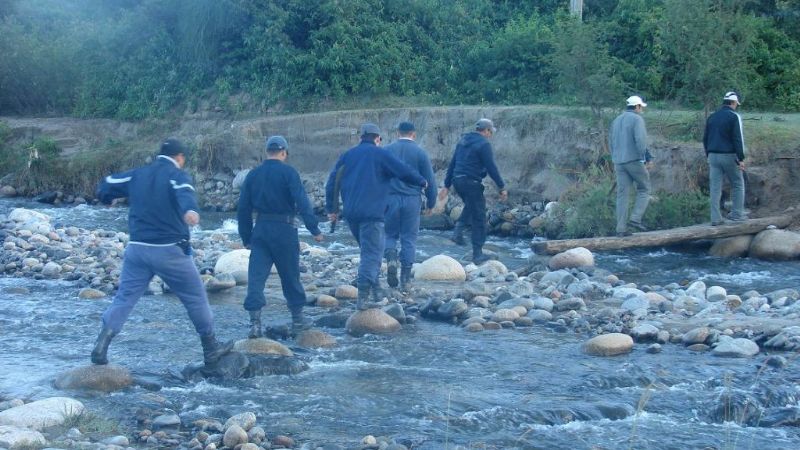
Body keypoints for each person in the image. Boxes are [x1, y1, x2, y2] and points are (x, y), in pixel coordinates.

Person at [91, 138, 229, 371]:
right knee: (195, 297)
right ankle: (211, 348)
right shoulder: (178, 175)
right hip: (169, 251)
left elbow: (107, 183)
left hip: (137, 249)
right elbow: (184, 193)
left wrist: (106, 199)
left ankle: (101, 345)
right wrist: (191, 211)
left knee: (124, 298)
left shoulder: (138, 174)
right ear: (180, 157)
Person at [325, 123, 427, 310]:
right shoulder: (381, 154)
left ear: (360, 138)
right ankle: (363, 299)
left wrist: (332, 210)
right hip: (372, 214)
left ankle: (377, 289)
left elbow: (332, 182)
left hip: (351, 214)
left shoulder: (347, 155)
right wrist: (421, 181)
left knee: (368, 250)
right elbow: (403, 171)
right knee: (371, 255)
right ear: (378, 139)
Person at [237, 136, 323, 337]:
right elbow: (302, 202)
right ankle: (298, 319)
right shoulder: (289, 172)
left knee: (256, 278)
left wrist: (246, 237)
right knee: (290, 275)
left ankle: (255, 324)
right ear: (284, 153)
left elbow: (243, 209)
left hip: (261, 230)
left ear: (266, 152)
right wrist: (314, 230)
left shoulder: (253, 175)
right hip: (285, 230)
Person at [441, 118, 508, 265]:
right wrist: (501, 187)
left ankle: (458, 232)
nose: (491, 135)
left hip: (458, 181)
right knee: (479, 217)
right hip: (471, 182)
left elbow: (452, 164)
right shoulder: (484, 144)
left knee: (472, 206)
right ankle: (477, 254)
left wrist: (446, 185)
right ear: (486, 131)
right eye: (491, 132)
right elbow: (491, 167)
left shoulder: (462, 141)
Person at [383, 122, 437, 290]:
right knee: (409, 238)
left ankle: (391, 257)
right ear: (414, 134)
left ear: (397, 133)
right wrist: (431, 202)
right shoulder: (420, 153)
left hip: (390, 198)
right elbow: (430, 181)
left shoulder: (386, 150)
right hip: (412, 199)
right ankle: (405, 279)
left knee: (389, 234)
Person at [609, 95, 652, 237]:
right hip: (633, 159)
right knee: (645, 188)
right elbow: (640, 141)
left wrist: (615, 157)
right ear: (637, 107)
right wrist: (645, 158)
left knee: (622, 195)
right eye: (641, 107)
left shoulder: (616, 120)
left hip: (618, 161)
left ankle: (620, 229)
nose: (642, 110)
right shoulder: (637, 119)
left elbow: (611, 141)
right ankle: (635, 218)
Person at [704, 91, 747, 225]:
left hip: (712, 156)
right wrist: (741, 158)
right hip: (729, 155)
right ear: (734, 103)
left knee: (715, 187)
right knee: (737, 183)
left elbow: (705, 138)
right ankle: (737, 214)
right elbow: (738, 139)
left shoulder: (712, 117)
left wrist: (708, 155)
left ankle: (715, 218)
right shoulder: (734, 117)